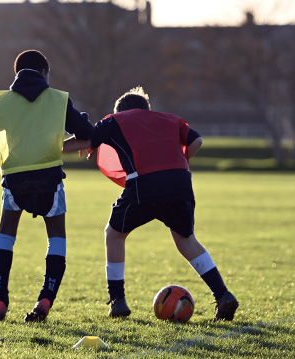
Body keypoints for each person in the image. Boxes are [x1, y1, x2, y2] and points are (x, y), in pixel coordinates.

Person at [63, 86, 239, 321]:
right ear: (147, 109)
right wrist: (174, 164)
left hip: (143, 184)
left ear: (120, 111)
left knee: (114, 234)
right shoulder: (169, 119)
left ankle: (117, 300)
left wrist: (46, 149)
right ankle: (223, 294)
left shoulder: (115, 120)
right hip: (180, 182)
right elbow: (197, 141)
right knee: (186, 240)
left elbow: (84, 140)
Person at [0, 50, 93, 322]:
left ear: (16, 74)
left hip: (15, 181)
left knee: (5, 235)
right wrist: (81, 127)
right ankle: (45, 300)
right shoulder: (59, 100)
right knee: (57, 239)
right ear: (44, 73)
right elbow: (87, 133)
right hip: (49, 180)